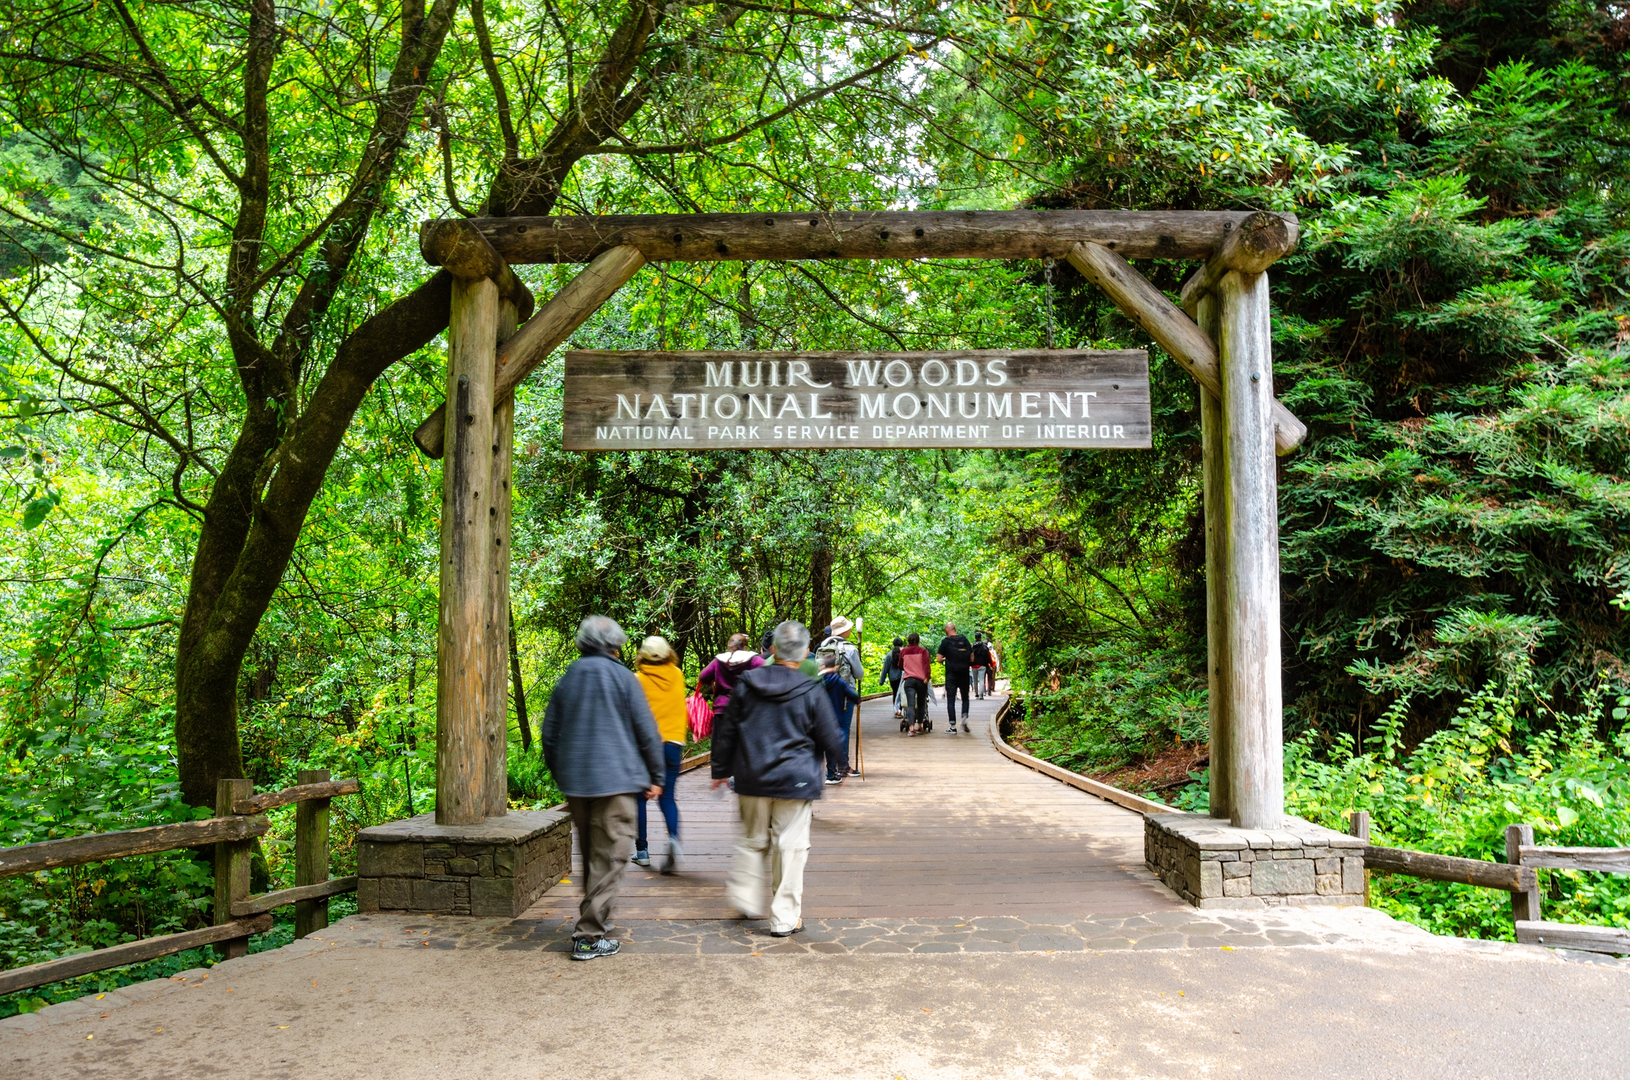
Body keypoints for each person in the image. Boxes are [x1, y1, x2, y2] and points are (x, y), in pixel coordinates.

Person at [711, 621, 845, 937]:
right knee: (791, 846)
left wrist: (720, 770)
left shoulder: (747, 683)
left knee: (753, 837)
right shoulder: (810, 688)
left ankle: (744, 895)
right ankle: (784, 918)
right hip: (795, 780)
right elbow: (829, 733)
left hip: (751, 776)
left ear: (773, 649)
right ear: (804, 653)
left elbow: (727, 729)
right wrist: (841, 763)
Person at [541, 615, 663, 961]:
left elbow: (549, 735)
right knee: (610, 857)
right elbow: (646, 730)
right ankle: (590, 936)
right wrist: (657, 776)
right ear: (616, 645)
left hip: (578, 784)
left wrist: (562, 774)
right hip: (618, 783)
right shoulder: (623, 678)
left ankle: (590, 924)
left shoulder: (569, 677)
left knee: (592, 853)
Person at [633, 636, 686, 874]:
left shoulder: (637, 679)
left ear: (642, 655)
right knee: (667, 797)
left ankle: (642, 851)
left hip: (647, 746)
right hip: (673, 743)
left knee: (640, 798)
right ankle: (673, 838)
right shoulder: (677, 674)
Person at [818, 649, 860, 784]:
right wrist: (857, 700)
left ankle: (830, 773)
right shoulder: (839, 682)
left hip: (820, 718)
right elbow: (852, 696)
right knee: (834, 743)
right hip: (835, 717)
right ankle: (835, 771)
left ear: (822, 666)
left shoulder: (818, 681)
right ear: (836, 667)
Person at [697, 633, 764, 714]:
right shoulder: (753, 660)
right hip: (744, 710)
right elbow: (768, 670)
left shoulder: (719, 660)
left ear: (729, 646)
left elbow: (703, 676)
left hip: (721, 710)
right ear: (745, 647)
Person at [936, 621, 973, 733]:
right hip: (964, 673)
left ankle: (953, 726)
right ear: (955, 629)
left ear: (946, 630)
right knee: (965, 697)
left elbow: (938, 659)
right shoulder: (965, 640)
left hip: (951, 674)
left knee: (951, 699)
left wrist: (946, 659)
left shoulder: (945, 642)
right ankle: (965, 716)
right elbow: (972, 658)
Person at [898, 631, 932, 735]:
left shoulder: (903, 651)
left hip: (909, 680)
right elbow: (927, 666)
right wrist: (927, 677)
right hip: (921, 680)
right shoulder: (923, 651)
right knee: (921, 703)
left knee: (911, 704)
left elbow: (899, 665)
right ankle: (920, 725)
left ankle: (911, 728)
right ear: (918, 640)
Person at [818, 616, 863, 689]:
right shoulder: (850, 649)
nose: (850, 629)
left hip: (825, 692)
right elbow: (859, 674)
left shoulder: (823, 648)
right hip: (846, 692)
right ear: (844, 631)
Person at [881, 637, 905, 719]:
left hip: (893, 678)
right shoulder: (904, 653)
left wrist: (882, 680)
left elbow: (885, 668)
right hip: (902, 677)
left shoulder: (889, 654)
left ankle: (896, 710)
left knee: (895, 693)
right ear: (901, 644)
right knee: (902, 693)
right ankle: (901, 710)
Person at [971, 633, 993, 701]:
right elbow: (988, 656)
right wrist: (990, 664)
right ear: (980, 638)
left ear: (975, 638)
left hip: (974, 665)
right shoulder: (984, 647)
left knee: (975, 680)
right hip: (982, 666)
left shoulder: (972, 647)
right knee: (981, 680)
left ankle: (976, 694)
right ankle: (981, 695)